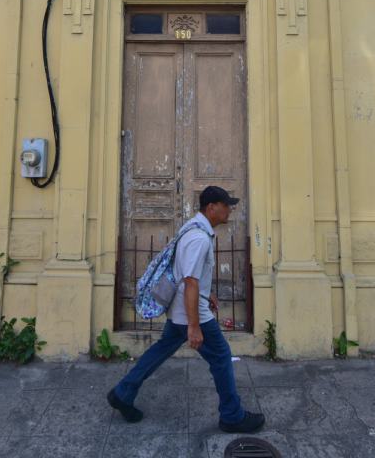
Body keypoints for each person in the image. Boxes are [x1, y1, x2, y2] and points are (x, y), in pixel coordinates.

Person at [107, 186, 265, 433]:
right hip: (191, 313)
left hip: (185, 309)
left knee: (162, 349)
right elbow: (189, 281)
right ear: (211, 207)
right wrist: (193, 326)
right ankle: (232, 417)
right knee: (222, 357)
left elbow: (190, 275)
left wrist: (207, 292)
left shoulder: (192, 229)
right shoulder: (199, 238)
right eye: (226, 204)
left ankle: (123, 392)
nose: (230, 209)